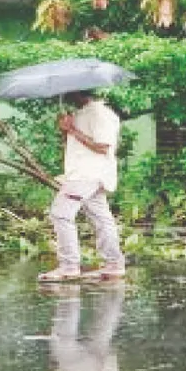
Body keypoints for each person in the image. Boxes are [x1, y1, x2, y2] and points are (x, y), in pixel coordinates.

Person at [39, 89, 125, 282]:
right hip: (83, 174)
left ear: (77, 94)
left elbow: (102, 147)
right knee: (101, 218)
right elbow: (76, 144)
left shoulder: (100, 114)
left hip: (87, 176)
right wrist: (66, 129)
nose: (64, 98)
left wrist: (72, 129)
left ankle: (69, 266)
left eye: (67, 94)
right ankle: (114, 265)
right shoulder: (81, 114)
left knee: (61, 213)